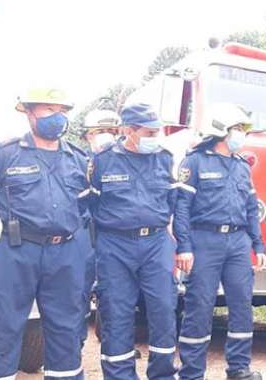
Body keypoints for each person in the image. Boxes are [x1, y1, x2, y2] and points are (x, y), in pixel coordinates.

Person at [0, 88, 89, 379]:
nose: (57, 117)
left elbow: (89, 208)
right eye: (48, 110)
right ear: (29, 113)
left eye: (62, 110)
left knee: (66, 328)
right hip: (15, 251)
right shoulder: (3, 155)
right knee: (4, 325)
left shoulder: (79, 160)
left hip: (66, 252)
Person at [174, 104, 266, 380]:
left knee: (242, 304)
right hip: (204, 240)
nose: (241, 135)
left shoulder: (241, 167)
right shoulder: (194, 162)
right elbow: (181, 209)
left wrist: (258, 245)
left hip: (237, 241)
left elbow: (251, 208)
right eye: (237, 129)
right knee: (199, 306)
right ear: (221, 131)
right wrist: (184, 246)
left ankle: (239, 368)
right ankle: (191, 372)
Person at [88, 102, 178, 379]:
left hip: (156, 243)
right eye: (148, 132)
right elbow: (91, 206)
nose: (155, 137)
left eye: (157, 131)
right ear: (129, 130)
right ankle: (120, 375)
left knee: (164, 308)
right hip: (115, 245)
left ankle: (162, 374)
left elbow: (172, 201)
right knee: (117, 312)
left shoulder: (164, 158)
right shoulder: (102, 161)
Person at [78, 108, 122, 347]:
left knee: (113, 293)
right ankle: (74, 347)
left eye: (112, 131)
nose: (107, 136)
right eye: (101, 131)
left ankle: (111, 341)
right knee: (78, 295)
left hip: (111, 240)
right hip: (82, 238)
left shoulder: (123, 164)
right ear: (88, 136)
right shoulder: (78, 162)